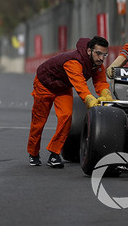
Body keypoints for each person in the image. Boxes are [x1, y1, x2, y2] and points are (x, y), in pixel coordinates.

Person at [27, 36, 111, 168]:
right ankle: (33, 153)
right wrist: (90, 100)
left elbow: (101, 82)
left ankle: (54, 154)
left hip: (63, 87)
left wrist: (106, 94)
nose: (101, 58)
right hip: (44, 85)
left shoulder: (98, 64)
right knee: (39, 122)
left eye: (104, 54)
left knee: (66, 116)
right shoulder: (74, 61)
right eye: (98, 53)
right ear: (89, 51)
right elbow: (80, 85)